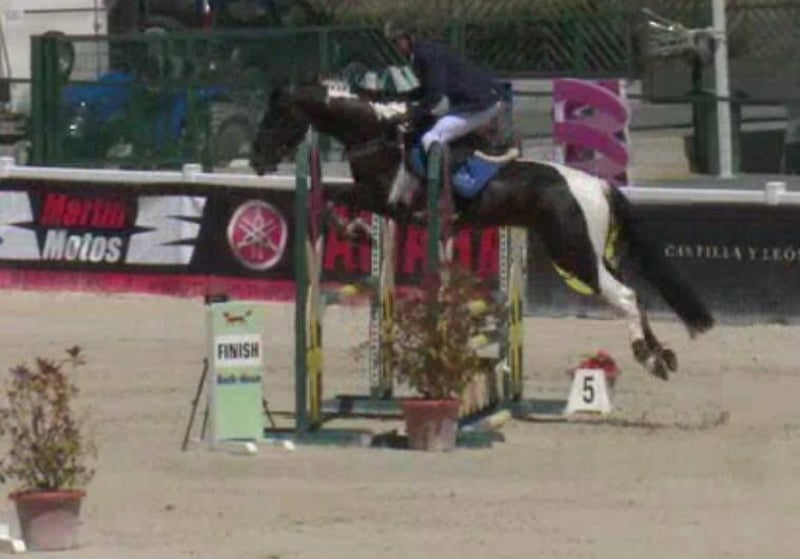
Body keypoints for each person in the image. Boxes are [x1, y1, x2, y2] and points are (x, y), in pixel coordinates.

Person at [386, 26, 504, 162]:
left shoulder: (426, 55)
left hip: (480, 104)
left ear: (406, 39)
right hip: (476, 101)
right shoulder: (423, 51)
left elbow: (434, 96)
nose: (395, 48)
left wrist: (411, 113)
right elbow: (426, 90)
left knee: (431, 138)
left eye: (396, 42)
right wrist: (401, 98)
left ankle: (439, 176)